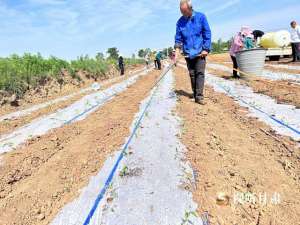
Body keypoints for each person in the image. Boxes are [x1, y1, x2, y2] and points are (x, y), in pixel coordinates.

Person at [174, 0, 211, 105]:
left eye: (185, 12)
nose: (183, 14)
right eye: (181, 12)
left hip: (200, 52)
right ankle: (195, 94)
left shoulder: (201, 17)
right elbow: (178, 39)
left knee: (199, 73)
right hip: (188, 53)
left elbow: (207, 33)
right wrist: (176, 54)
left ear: (190, 8)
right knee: (192, 74)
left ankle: (199, 97)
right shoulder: (180, 22)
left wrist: (206, 48)